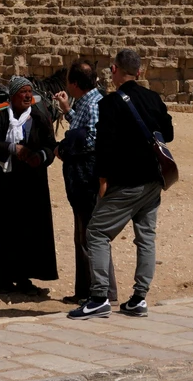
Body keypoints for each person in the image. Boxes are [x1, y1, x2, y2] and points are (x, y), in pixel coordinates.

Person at [70, 49, 172, 320]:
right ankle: (139, 298)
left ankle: (99, 297)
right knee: (146, 238)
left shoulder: (110, 104)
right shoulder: (153, 98)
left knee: (96, 233)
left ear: (114, 70)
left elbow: (104, 148)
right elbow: (168, 133)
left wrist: (103, 181)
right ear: (139, 72)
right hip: (153, 181)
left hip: (126, 183)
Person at [0, 77, 57, 295]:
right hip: (7, 184)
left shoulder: (39, 118)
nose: (28, 96)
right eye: (23, 92)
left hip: (32, 184)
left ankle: (24, 278)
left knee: (30, 230)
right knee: (6, 229)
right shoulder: (1, 118)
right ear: (13, 95)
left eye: (30, 91)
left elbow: (51, 146)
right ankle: (3, 279)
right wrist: (11, 148)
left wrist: (40, 156)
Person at [52, 60, 104, 304]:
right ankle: (88, 291)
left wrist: (65, 147)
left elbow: (91, 140)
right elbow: (83, 128)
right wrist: (67, 110)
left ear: (74, 84)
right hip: (82, 181)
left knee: (89, 237)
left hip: (87, 181)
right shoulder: (87, 102)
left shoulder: (93, 104)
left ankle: (97, 293)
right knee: (85, 236)